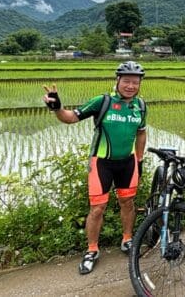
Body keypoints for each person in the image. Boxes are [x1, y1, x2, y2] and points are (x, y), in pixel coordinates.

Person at [42, 61, 147, 275]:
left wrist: (139, 159)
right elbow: (71, 118)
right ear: (117, 80)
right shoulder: (103, 101)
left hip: (128, 163)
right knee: (97, 208)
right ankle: (91, 250)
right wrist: (57, 108)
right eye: (126, 81)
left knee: (127, 203)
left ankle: (127, 239)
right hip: (101, 163)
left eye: (135, 82)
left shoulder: (141, 106)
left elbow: (141, 133)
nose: (130, 86)